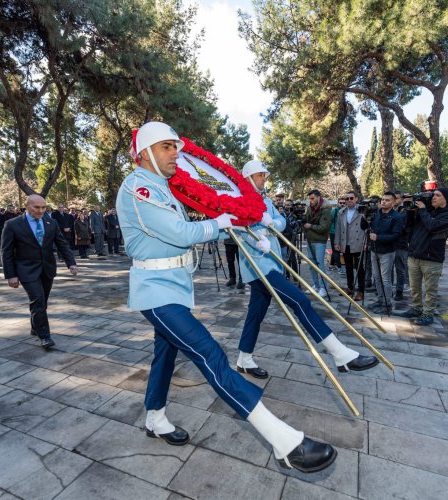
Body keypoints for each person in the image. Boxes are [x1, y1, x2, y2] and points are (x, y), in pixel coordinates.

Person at [117, 121, 336, 473]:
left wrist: (230, 219)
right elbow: (179, 232)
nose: (176, 153)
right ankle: (284, 441)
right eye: (166, 147)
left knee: (165, 356)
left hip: (174, 285)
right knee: (210, 355)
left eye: (176, 146)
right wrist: (220, 222)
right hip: (155, 292)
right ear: (144, 153)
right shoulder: (137, 187)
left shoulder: (162, 187)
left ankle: (155, 417)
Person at [236, 159, 379, 379]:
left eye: (265, 174)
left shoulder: (264, 199)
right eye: (260, 175)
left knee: (255, 314)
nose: (264, 178)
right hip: (258, 266)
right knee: (300, 301)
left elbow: (281, 221)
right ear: (247, 177)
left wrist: (269, 223)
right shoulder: (238, 199)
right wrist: (257, 236)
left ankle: (244, 360)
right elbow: (236, 227)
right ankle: (340, 354)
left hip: (270, 262)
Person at [1, 194, 78, 349]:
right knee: (38, 300)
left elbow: (62, 244)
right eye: (37, 207)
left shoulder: (51, 222)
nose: (41, 211)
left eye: (43, 207)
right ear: (27, 206)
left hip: (47, 268)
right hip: (26, 270)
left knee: (42, 302)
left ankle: (35, 326)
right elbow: (6, 251)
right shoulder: (12, 224)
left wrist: (71, 263)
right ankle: (45, 336)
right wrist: (11, 275)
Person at [398, 188, 448, 326]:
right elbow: (407, 226)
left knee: (430, 289)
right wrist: (410, 211)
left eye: (437, 195)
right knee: (414, 287)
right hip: (414, 255)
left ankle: (428, 313)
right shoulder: (425, 210)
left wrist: (422, 210)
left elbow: (432, 227)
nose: (433, 197)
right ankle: (416, 308)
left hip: (432, 258)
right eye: (433, 195)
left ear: (445, 199)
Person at [368, 192, 405, 314]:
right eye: (383, 199)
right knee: (376, 277)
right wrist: (365, 217)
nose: (383, 202)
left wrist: (378, 237)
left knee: (385, 279)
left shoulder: (397, 217)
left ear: (393, 202)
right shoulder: (376, 214)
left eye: (387, 200)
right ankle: (380, 299)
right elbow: (366, 228)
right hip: (374, 250)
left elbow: (396, 236)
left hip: (387, 252)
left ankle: (387, 303)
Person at [334, 191, 367, 301]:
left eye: (351, 198)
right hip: (345, 243)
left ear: (356, 199)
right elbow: (338, 228)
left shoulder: (362, 210)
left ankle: (361, 291)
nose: (348, 201)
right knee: (348, 267)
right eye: (346, 198)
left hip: (358, 243)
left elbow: (367, 228)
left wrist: (366, 243)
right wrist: (337, 242)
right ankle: (350, 287)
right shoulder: (341, 212)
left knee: (359, 268)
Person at [302, 189, 331, 297]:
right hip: (310, 239)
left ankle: (324, 288)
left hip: (319, 241)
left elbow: (324, 227)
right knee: (311, 264)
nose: (311, 200)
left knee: (320, 265)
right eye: (310, 199)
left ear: (319, 197)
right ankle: (316, 285)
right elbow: (305, 220)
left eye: (313, 198)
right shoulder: (310, 208)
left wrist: (310, 226)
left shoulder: (326, 209)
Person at [392, 192, 409, 301]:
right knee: (388, 270)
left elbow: (405, 227)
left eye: (396, 198)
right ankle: (388, 290)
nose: (394, 200)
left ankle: (399, 291)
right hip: (388, 245)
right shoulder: (387, 211)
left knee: (400, 269)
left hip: (400, 244)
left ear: (402, 199)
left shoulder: (405, 211)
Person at [329, 197, 344, 273]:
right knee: (336, 250)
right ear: (338, 203)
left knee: (335, 250)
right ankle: (339, 267)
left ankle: (331, 265)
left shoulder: (346, 210)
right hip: (334, 233)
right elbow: (330, 221)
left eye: (343, 203)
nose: (342, 204)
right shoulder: (334, 210)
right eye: (340, 203)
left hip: (342, 233)